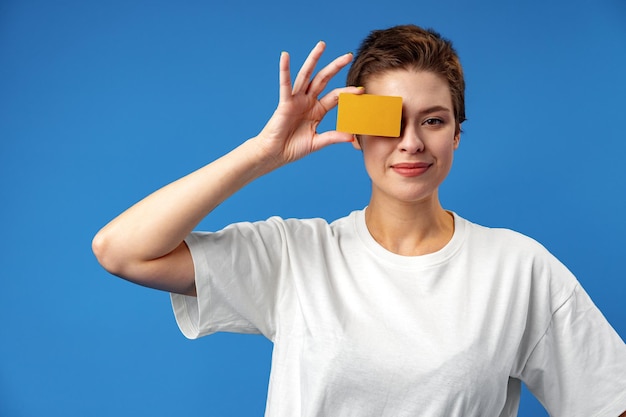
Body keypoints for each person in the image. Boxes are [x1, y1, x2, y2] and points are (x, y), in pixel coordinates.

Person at [92, 24, 626, 417]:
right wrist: (262, 153)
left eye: (434, 121)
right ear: (357, 132)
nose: (411, 143)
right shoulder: (295, 255)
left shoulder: (518, 268)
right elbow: (121, 250)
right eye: (388, 121)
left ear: (457, 134)